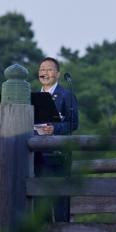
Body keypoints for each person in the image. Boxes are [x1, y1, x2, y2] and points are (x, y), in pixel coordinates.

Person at [34, 57, 78, 222]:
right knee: (39, 197)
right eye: (42, 69)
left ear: (58, 74)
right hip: (37, 155)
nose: (44, 72)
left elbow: (73, 123)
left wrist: (55, 128)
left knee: (59, 197)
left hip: (58, 155)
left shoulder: (66, 95)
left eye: (49, 69)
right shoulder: (33, 96)